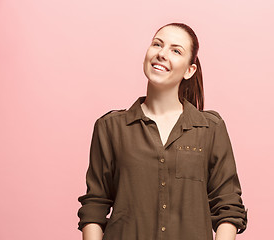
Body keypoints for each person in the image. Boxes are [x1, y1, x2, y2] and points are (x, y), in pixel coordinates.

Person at [77, 22, 247, 240]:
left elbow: (228, 205)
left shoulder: (210, 128)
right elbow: (95, 204)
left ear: (189, 70)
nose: (162, 54)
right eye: (157, 44)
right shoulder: (110, 127)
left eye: (176, 50)